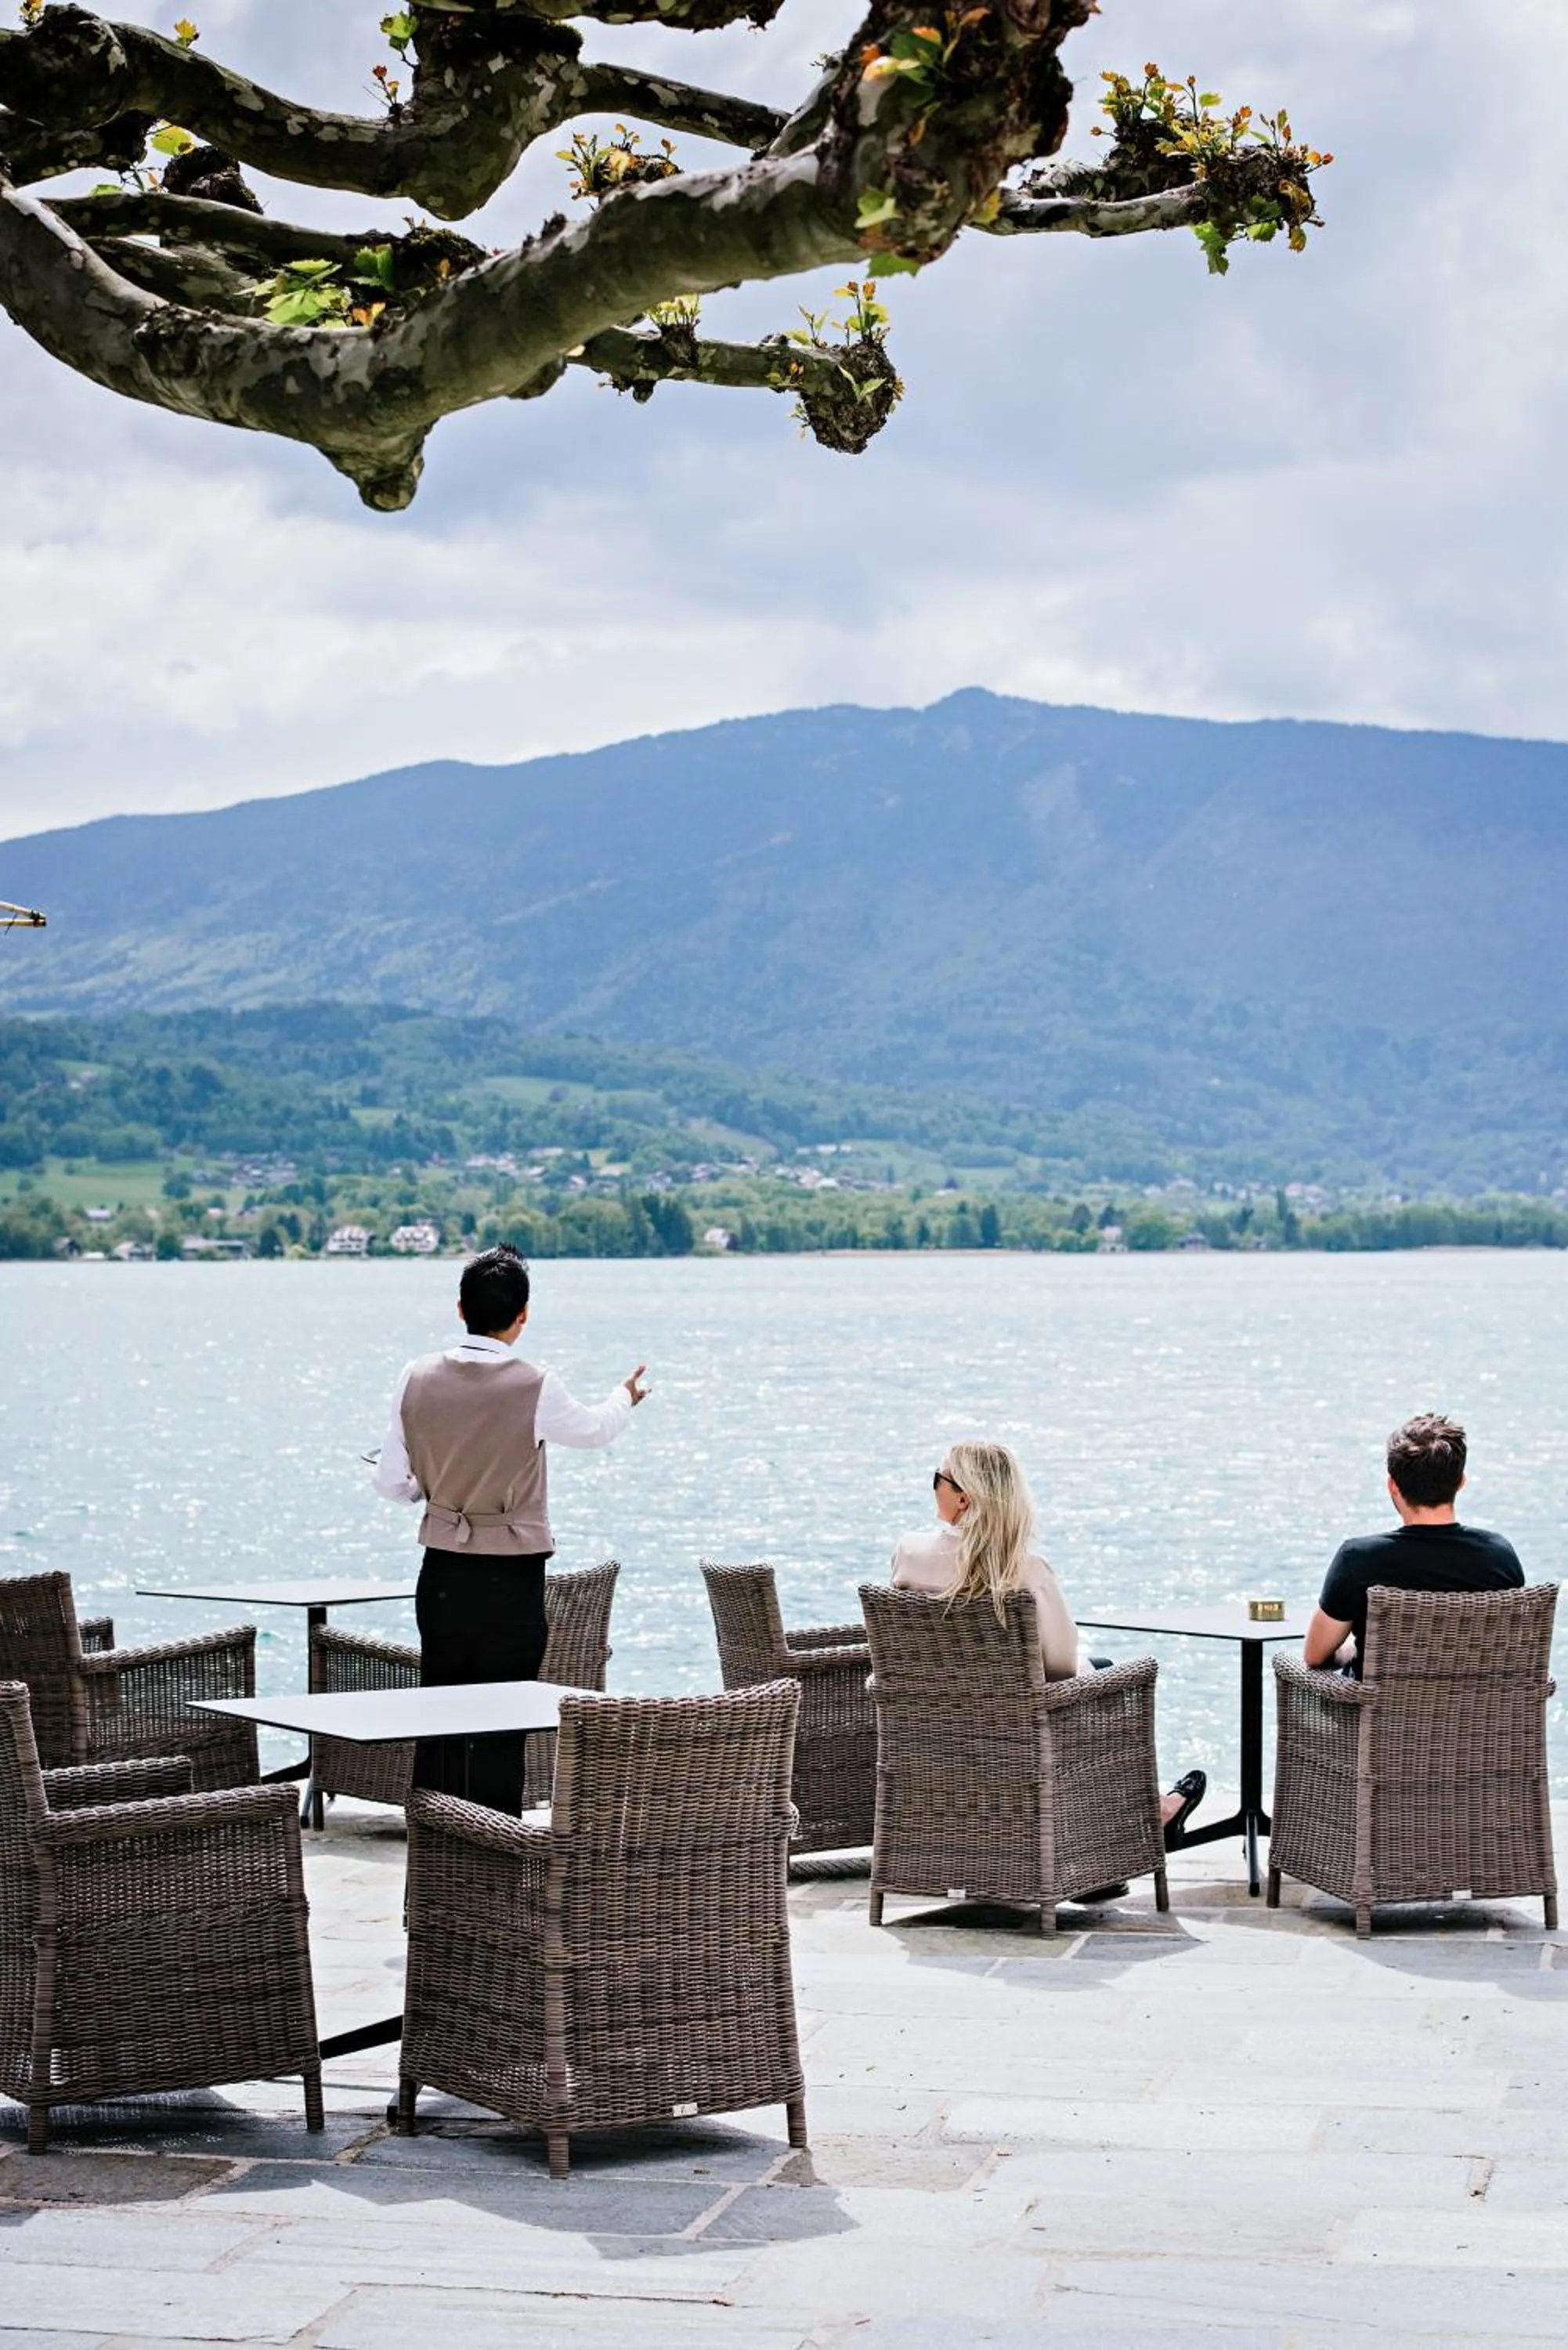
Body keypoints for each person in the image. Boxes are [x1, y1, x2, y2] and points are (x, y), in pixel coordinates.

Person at [373, 1243, 648, 1811]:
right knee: (503, 1724)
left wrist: (432, 1489)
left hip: (443, 1571)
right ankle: (494, 1847)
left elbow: (391, 1483)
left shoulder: (414, 1376)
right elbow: (594, 1430)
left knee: (438, 1715)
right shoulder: (535, 1384)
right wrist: (625, 1397)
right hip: (511, 1578)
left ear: (460, 1309)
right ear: (522, 1315)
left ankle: (434, 1846)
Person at [891, 1441, 1205, 1853]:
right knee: (1104, 1674)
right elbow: (1060, 1667)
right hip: (1015, 1736)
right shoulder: (1026, 1570)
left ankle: (1147, 1812)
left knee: (1094, 1676)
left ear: (963, 1499)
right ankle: (1137, 1822)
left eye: (938, 1479)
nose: (933, 1488)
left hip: (930, 1730)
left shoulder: (909, 1554)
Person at [1303, 1412, 1523, 1676]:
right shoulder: (1500, 1557)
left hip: (1382, 1704)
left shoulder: (1359, 1559)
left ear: (1393, 1486)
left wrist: (1358, 1650)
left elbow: (1315, 1655)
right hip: (1482, 1703)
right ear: (1461, 1482)